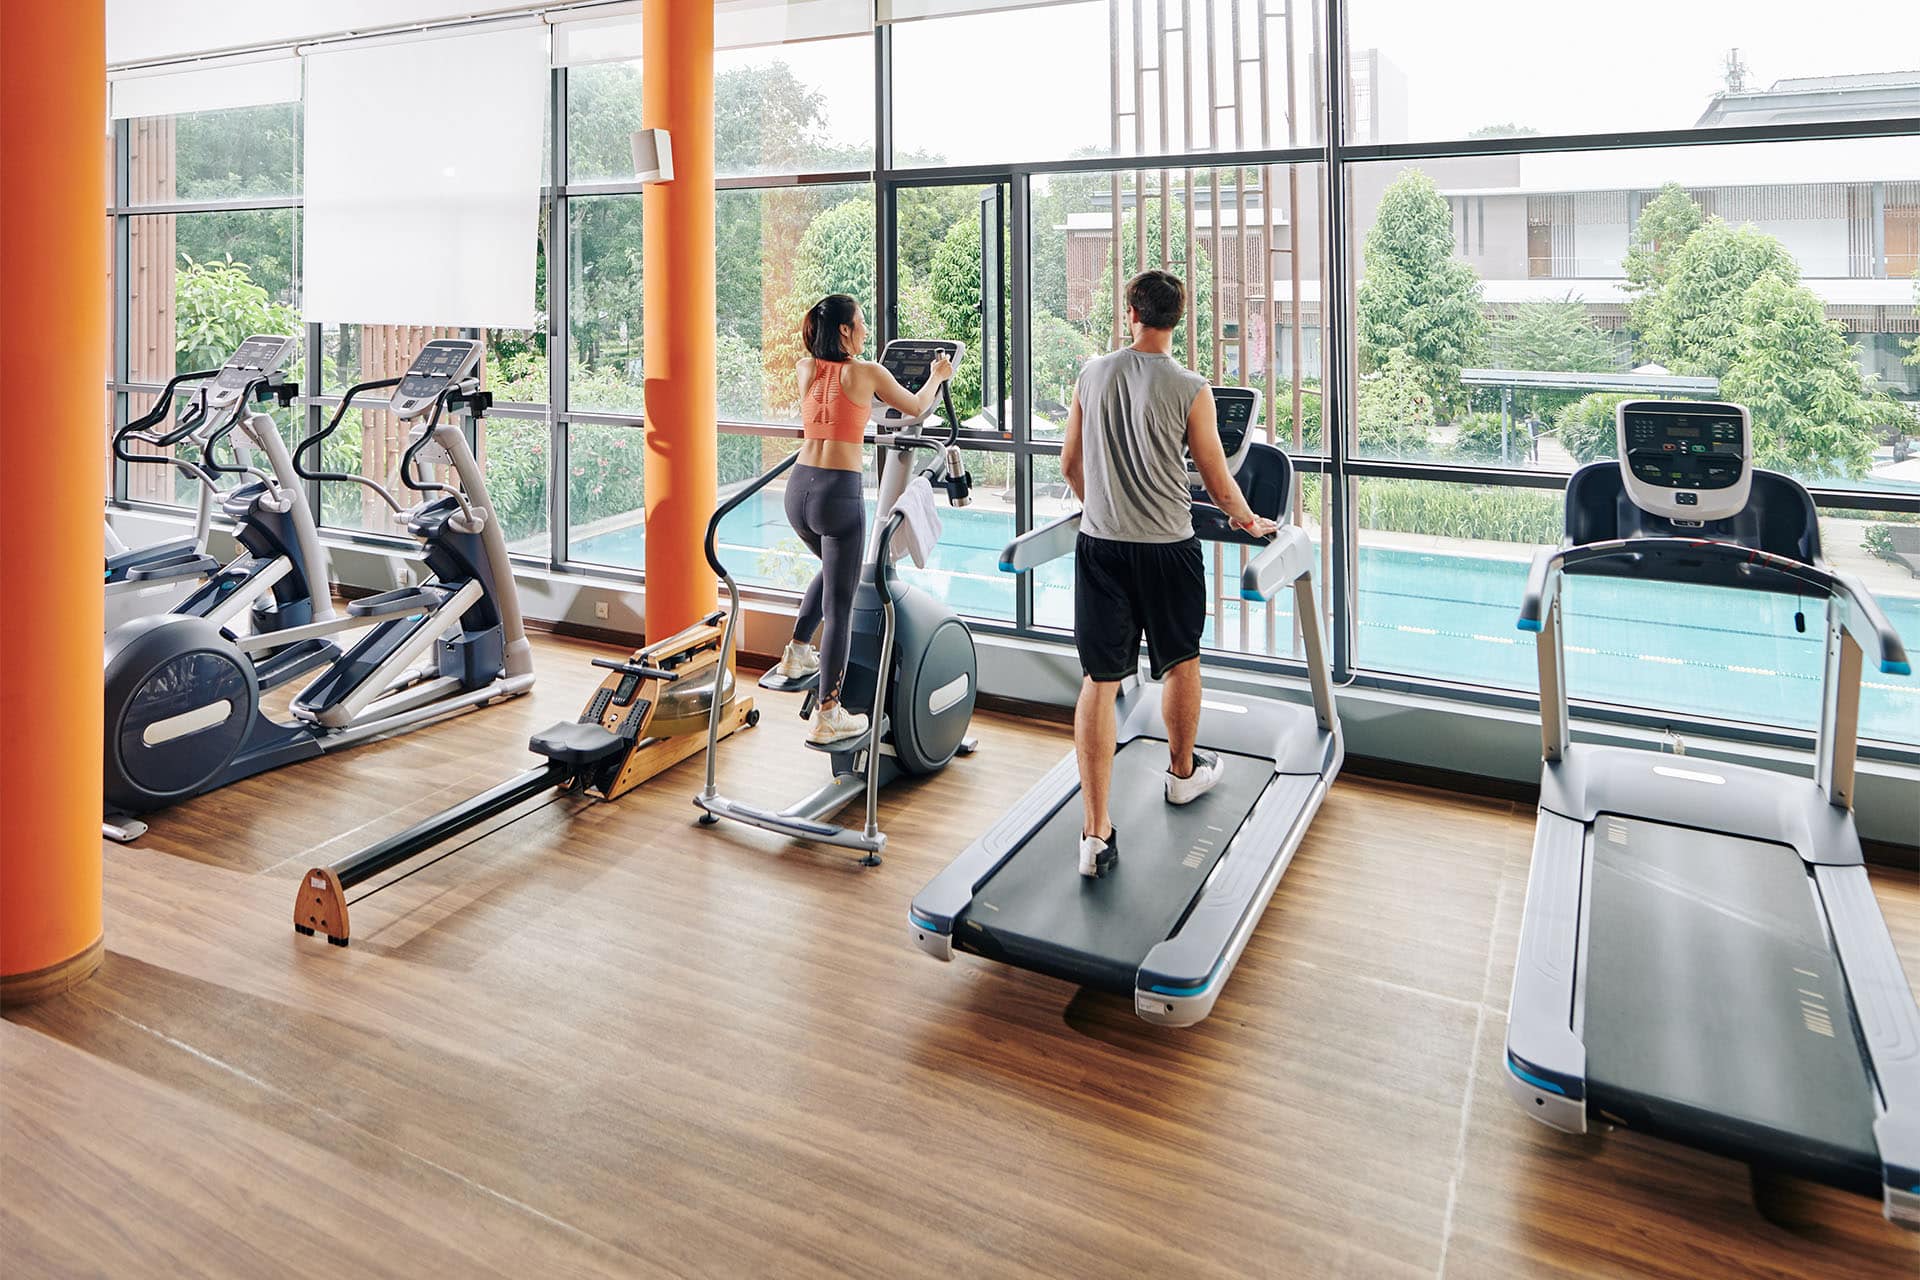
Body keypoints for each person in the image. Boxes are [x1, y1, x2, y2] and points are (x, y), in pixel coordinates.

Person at [1061, 270, 1278, 878]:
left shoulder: (1091, 373)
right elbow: (1216, 478)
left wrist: (1103, 509)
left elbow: (1070, 463)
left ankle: (1095, 834)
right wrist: (1248, 520)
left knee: (1099, 680)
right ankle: (1182, 775)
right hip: (1167, 548)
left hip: (1100, 546)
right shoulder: (1190, 387)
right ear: (1177, 318)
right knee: (1181, 662)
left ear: (1131, 312)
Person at [772, 294, 954, 746]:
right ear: (846, 331)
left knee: (836, 572)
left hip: (799, 491)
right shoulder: (868, 372)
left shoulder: (805, 368)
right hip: (837, 494)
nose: (867, 329)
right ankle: (829, 713)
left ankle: (797, 651)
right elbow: (915, 407)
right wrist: (936, 376)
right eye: (861, 322)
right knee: (841, 605)